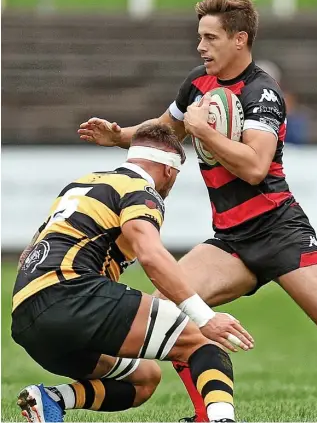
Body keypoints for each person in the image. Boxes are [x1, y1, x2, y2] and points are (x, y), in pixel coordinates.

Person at [78, 0, 317, 422]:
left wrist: (203, 134)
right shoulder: (197, 84)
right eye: (200, 38)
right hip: (231, 240)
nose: (201, 47)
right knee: (168, 310)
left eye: (210, 38)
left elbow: (257, 167)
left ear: (239, 39)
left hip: (280, 232)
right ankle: (208, 416)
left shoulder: (263, 92)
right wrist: (120, 136)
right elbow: (165, 129)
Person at [12, 123, 254, 423]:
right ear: (169, 170)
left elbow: (27, 255)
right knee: (200, 343)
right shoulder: (141, 191)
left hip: (26, 317)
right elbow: (151, 256)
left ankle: (51, 399)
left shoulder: (82, 184)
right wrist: (206, 317)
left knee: (144, 378)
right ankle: (220, 419)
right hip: (72, 295)